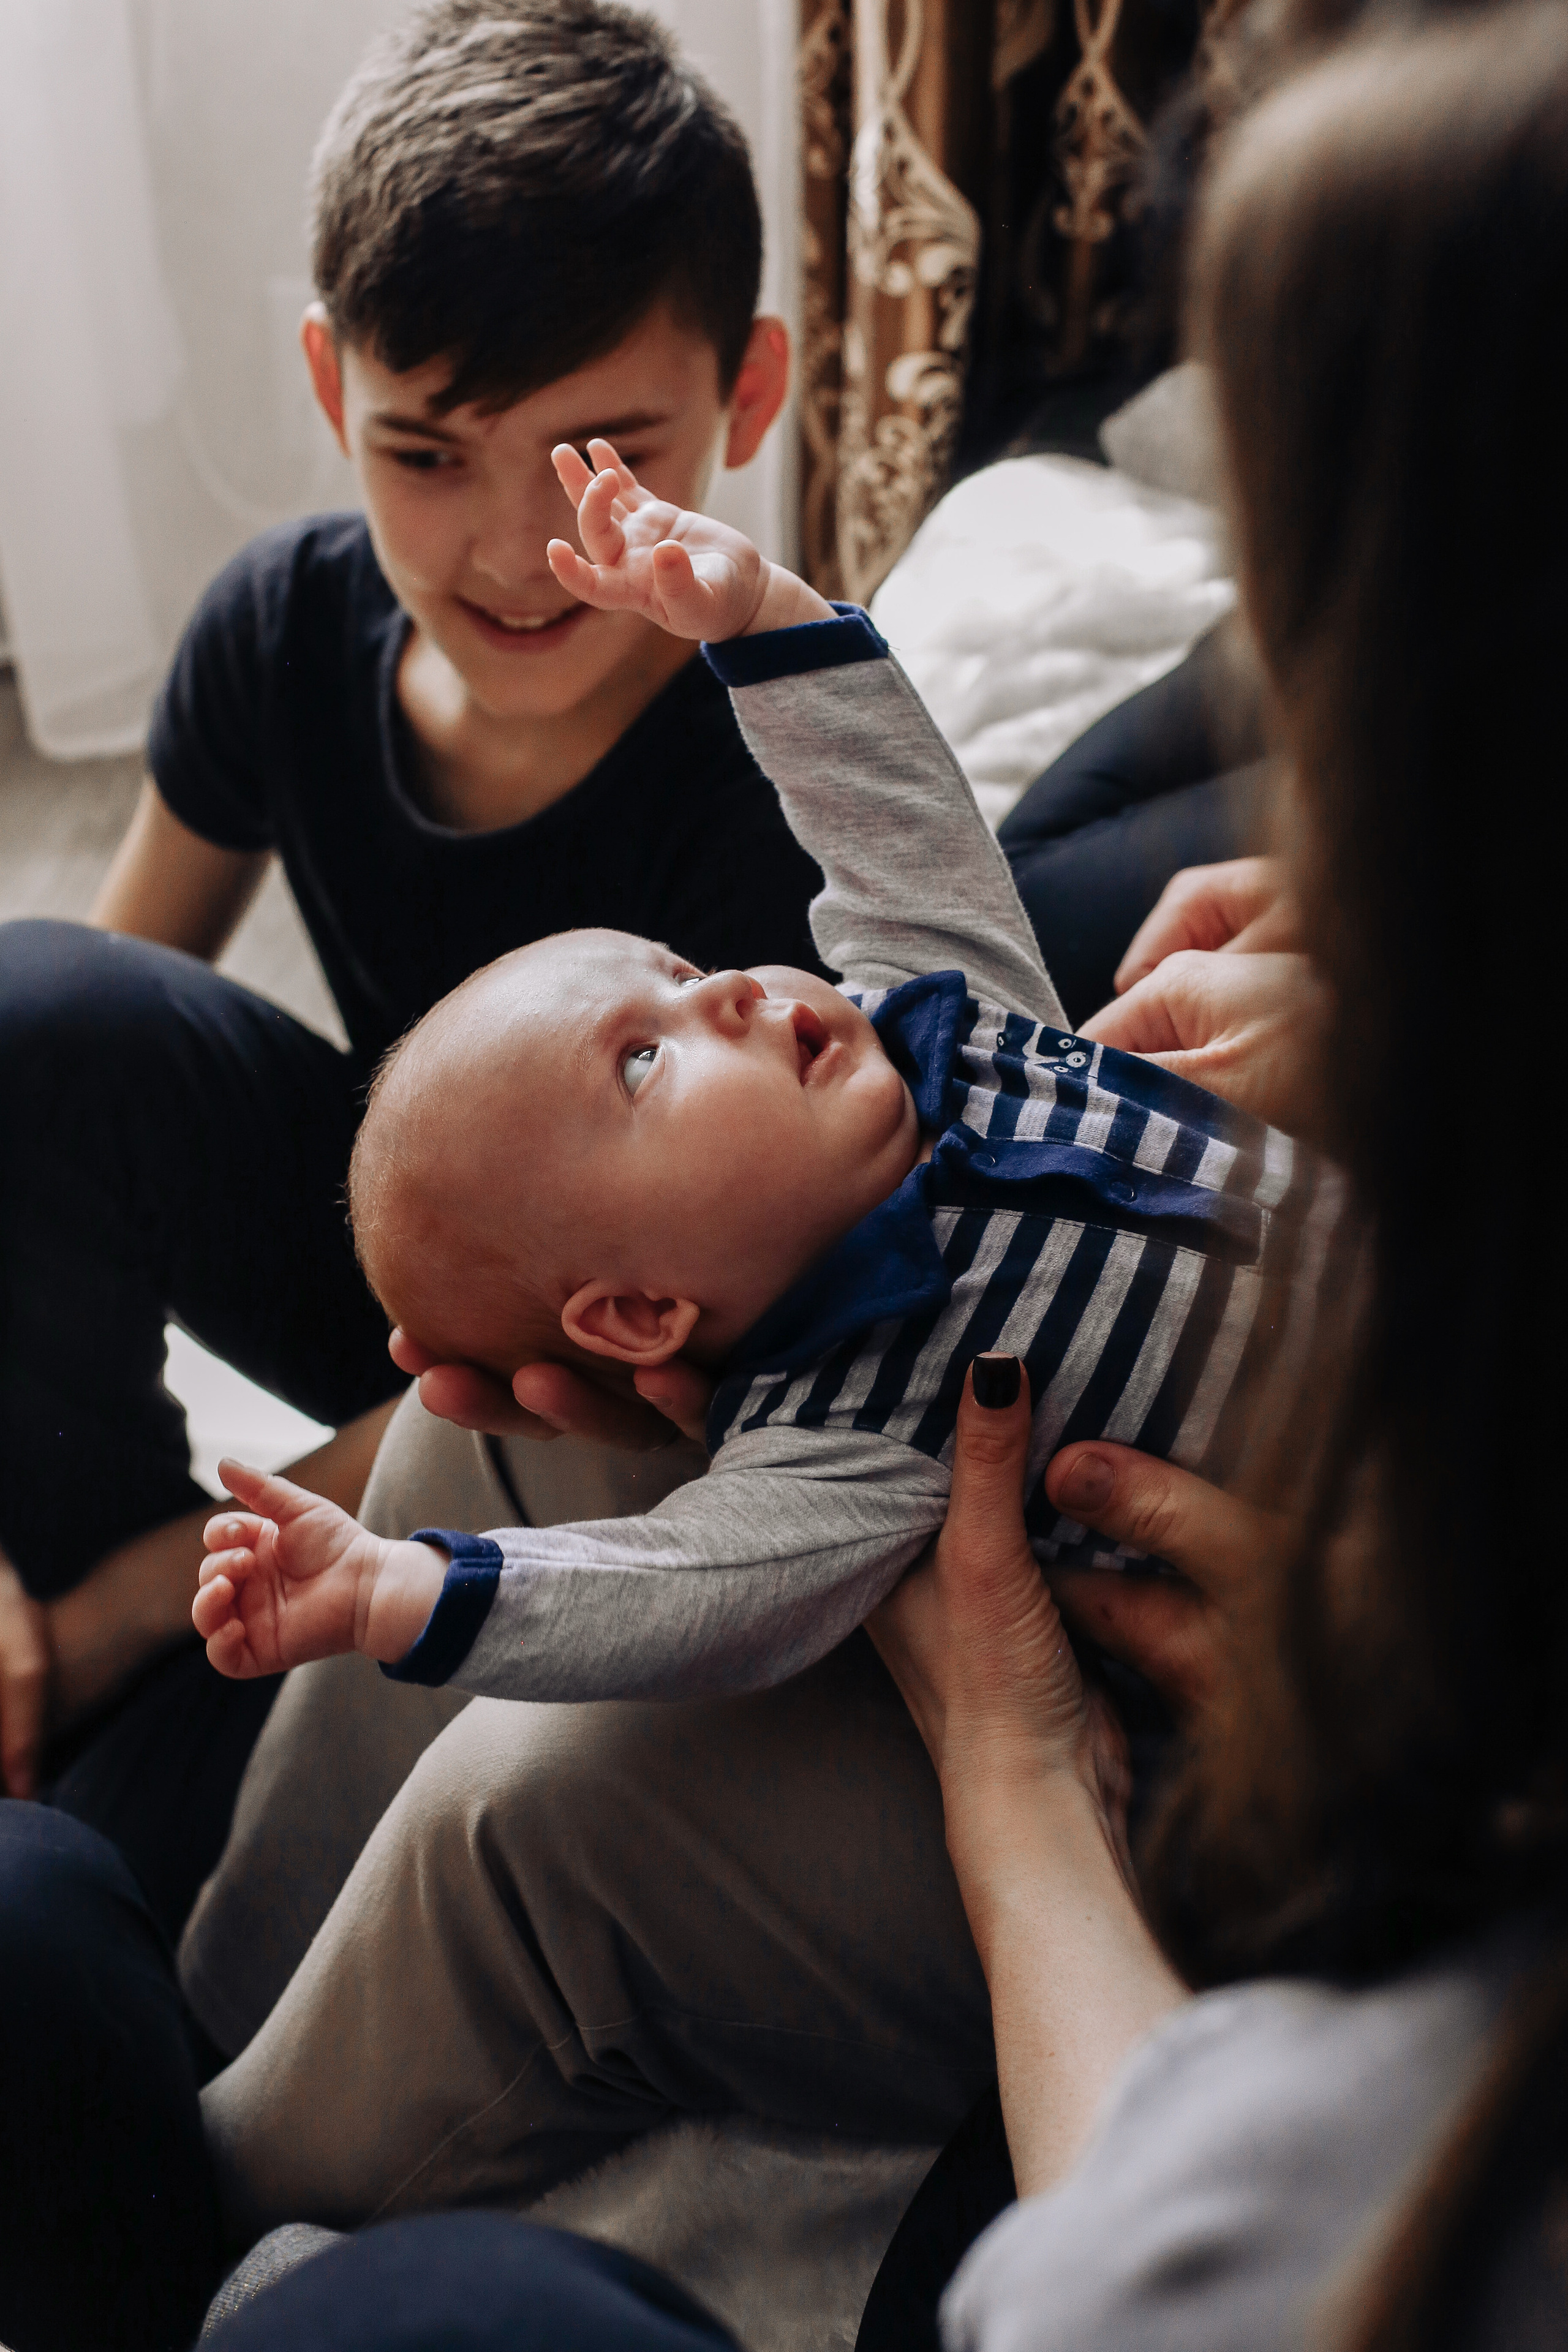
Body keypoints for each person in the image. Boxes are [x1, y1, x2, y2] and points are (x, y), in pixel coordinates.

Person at [0, 0, 819, 1929]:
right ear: (327, 383)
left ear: (751, 399)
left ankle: (135, 1687)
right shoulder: (283, 630)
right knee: (38, 1017)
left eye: (606, 453)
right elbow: (95, 1038)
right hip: (403, 1235)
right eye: (427, 451)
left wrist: (156, 1593)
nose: (519, 546)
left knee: (161, 1790)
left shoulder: (777, 773)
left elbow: (672, 1346)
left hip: (617, 1362)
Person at [187, 439, 1349, 1715]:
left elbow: (886, 808)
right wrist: (390, 1591)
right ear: (639, 1317)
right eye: (643, 1059)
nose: (730, 992)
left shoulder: (948, 1020)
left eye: (681, 968)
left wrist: (755, 614)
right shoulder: (850, 1428)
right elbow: (671, 1589)